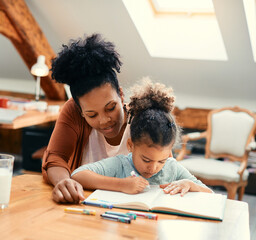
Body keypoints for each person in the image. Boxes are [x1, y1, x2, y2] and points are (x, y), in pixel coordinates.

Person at [71, 78, 213, 196]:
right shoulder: (120, 164)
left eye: (161, 161)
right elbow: (77, 175)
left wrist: (189, 184)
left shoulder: (172, 168)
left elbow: (210, 194)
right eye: (146, 159)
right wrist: (122, 185)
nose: (153, 168)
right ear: (131, 145)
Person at [42, 34, 130, 203]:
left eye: (110, 108)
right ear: (80, 110)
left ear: (120, 94)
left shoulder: (143, 115)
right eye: (92, 115)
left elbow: (168, 164)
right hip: (85, 206)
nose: (104, 121)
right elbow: (55, 158)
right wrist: (63, 182)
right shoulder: (72, 111)